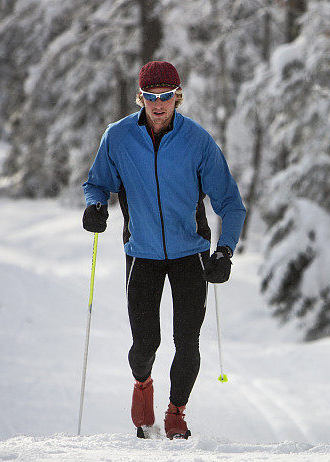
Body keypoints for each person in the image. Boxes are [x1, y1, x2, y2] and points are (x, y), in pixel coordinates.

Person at [82, 61, 246, 439]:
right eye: (151, 97)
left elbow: (231, 203)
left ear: (178, 96)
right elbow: (97, 184)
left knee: (187, 340)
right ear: (140, 97)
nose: (159, 105)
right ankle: (142, 384)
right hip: (142, 253)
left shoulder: (198, 141)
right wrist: (94, 207)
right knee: (145, 344)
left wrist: (224, 251)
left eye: (166, 96)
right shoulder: (119, 137)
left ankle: (176, 412)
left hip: (191, 255)